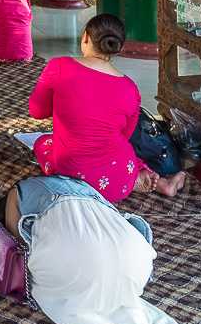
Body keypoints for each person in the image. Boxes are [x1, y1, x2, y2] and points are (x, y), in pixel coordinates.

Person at [28, 13, 186, 202]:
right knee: (114, 144)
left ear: (85, 37)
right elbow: (125, 136)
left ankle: (132, 177)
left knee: (44, 142)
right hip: (121, 179)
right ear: (117, 49)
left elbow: (37, 112)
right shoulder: (131, 88)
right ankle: (146, 176)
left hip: (73, 178)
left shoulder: (59, 66)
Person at [1, 176, 185, 324]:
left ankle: (97, 320)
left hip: (92, 270)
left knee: (38, 275)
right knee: (103, 280)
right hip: (140, 265)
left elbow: (16, 248)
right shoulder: (89, 187)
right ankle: (122, 311)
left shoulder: (22, 188)